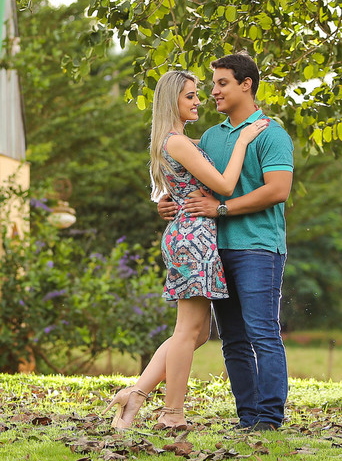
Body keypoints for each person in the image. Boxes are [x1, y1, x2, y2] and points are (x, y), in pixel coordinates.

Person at [109, 69, 268, 431]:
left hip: (192, 234)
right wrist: (243, 141)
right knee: (187, 331)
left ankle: (136, 394)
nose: (199, 101)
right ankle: (171, 414)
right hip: (192, 237)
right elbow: (226, 184)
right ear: (172, 101)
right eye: (190, 96)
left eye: (198, 94)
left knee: (196, 334)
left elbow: (176, 188)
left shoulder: (182, 141)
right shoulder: (177, 142)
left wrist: (170, 202)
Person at [158, 53, 294, 432]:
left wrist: (221, 209)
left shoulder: (271, 133)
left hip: (259, 248)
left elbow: (278, 190)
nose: (212, 91)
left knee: (262, 332)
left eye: (221, 83)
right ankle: (247, 417)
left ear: (245, 84)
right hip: (215, 251)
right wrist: (169, 203)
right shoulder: (213, 137)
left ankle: (269, 418)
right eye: (212, 84)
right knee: (232, 340)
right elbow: (187, 173)